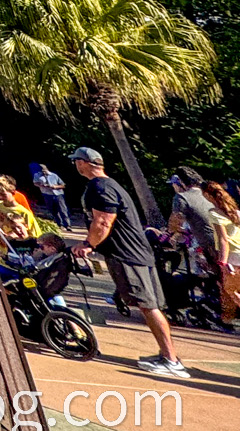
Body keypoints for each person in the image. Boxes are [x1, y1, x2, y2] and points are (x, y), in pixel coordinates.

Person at [70, 146, 190, 379]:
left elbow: (103, 222)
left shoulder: (100, 187)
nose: (76, 165)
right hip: (137, 254)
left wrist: (88, 244)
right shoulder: (109, 185)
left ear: (84, 163)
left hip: (129, 255)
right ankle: (167, 355)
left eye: (77, 161)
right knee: (149, 306)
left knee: (148, 306)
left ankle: (171, 361)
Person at [201, 181, 240, 328]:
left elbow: (223, 240)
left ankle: (227, 319)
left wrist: (222, 262)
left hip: (232, 257)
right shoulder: (235, 212)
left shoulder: (214, 213)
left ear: (207, 195)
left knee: (230, 291)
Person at [0, 176, 40, 260]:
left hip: (17, 255)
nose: (0, 197)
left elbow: (35, 237)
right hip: (0, 253)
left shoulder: (24, 213)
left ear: (13, 192)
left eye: (3, 194)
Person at [31, 161, 71, 229]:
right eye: (42, 171)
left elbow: (63, 185)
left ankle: (67, 225)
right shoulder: (37, 175)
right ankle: (59, 224)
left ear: (47, 169)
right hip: (47, 194)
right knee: (53, 210)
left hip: (58, 194)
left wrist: (55, 187)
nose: (43, 173)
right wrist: (42, 185)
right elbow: (35, 183)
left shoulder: (54, 175)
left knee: (63, 210)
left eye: (44, 171)